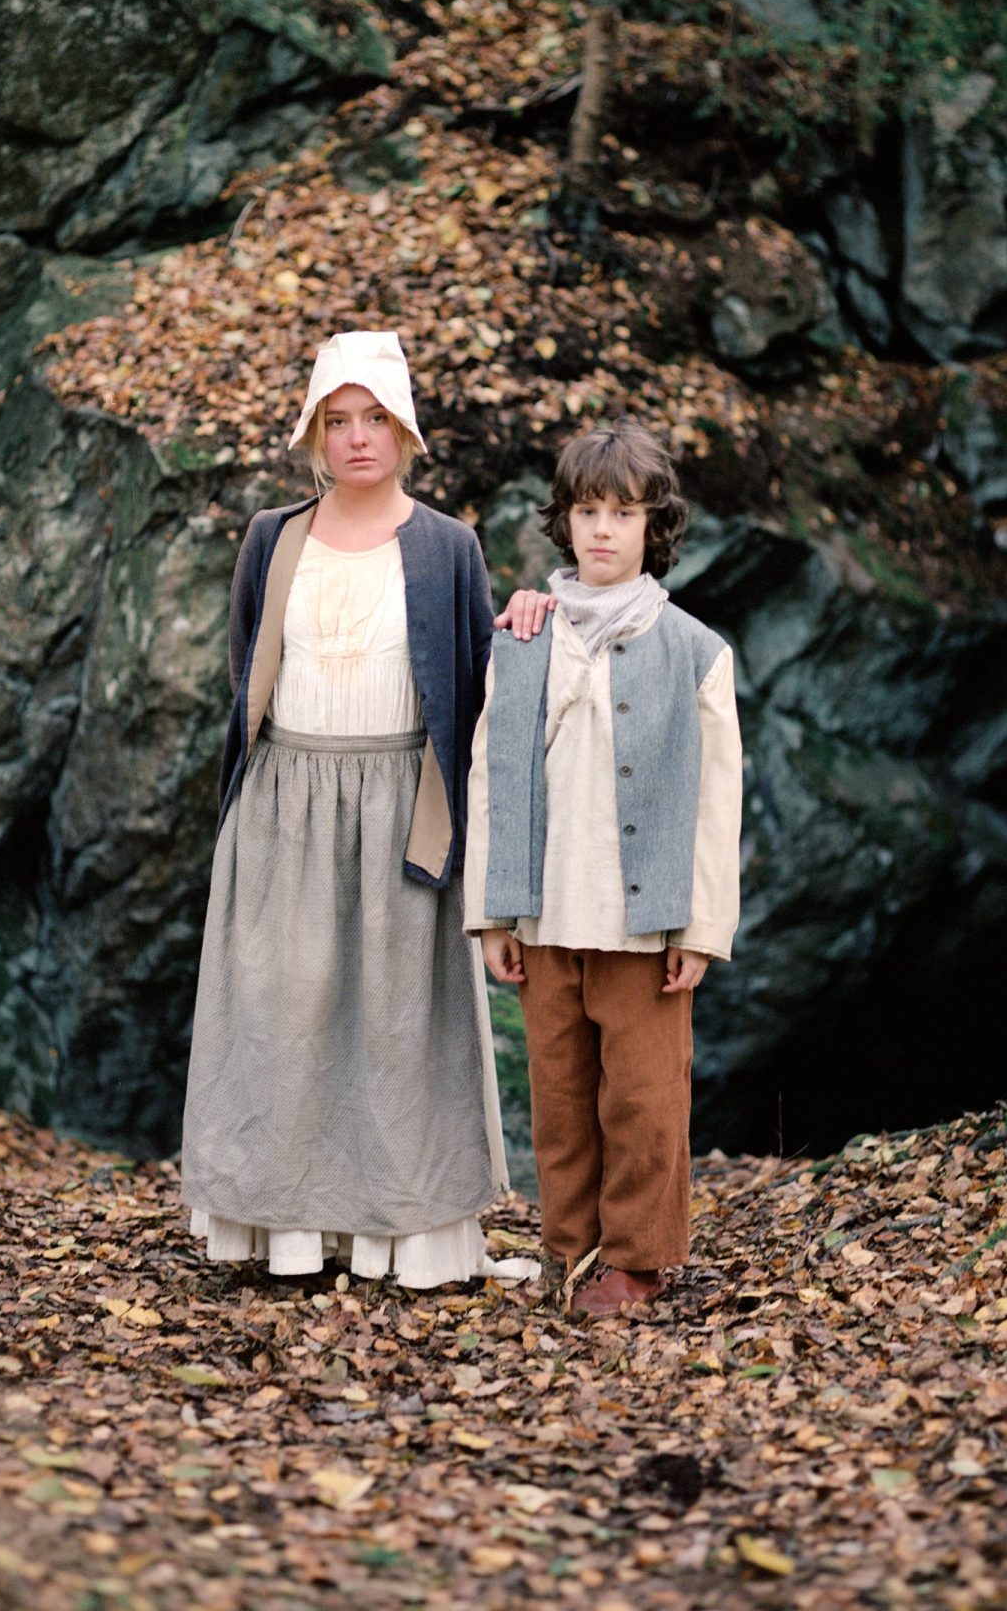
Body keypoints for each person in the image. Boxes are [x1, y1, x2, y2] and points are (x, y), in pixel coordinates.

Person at [182, 330, 540, 1290]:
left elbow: (471, 682)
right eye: (336, 421)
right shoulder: (273, 536)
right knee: (281, 1012)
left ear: (406, 429)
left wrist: (534, 619)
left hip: (400, 804)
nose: (356, 438)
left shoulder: (447, 546)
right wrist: (271, 793)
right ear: (313, 436)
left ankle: (401, 1239)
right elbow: (246, 669)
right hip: (286, 802)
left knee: (395, 1025)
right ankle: (287, 1236)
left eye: (374, 417)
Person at [465, 421, 743, 1316]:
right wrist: (491, 914)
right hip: (543, 915)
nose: (602, 530)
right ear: (565, 519)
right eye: (588, 510)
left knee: (645, 1100)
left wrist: (701, 929)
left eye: (624, 513)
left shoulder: (696, 650)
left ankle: (637, 1259)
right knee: (559, 1097)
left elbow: (716, 802)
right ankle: (569, 1250)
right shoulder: (521, 638)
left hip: (642, 921)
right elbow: (488, 777)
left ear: (652, 527)